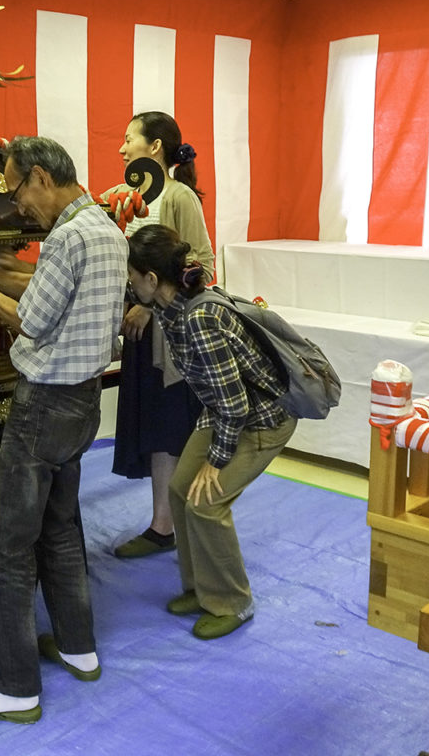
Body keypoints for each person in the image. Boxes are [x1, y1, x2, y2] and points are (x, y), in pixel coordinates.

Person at [0, 136, 127, 722]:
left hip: (43, 405)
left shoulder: (66, 237)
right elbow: (53, 297)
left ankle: (14, 688)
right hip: (84, 404)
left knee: (8, 546)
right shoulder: (106, 231)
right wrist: (0, 273)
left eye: (19, 189)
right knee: (62, 530)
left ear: (42, 177)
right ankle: (79, 650)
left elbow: (30, 320)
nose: (19, 206)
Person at [125, 224, 296, 640]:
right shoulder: (169, 305)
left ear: (151, 278)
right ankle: (200, 588)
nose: (128, 283)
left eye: (131, 275)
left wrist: (216, 462)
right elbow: (217, 394)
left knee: (206, 501)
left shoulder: (199, 316)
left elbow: (236, 404)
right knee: (182, 489)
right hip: (221, 412)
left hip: (263, 419)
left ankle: (233, 603)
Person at [109, 111, 215, 559]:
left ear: (154, 148)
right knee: (153, 428)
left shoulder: (179, 197)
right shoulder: (128, 198)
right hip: (139, 334)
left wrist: (149, 306)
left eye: (129, 138)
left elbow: (203, 269)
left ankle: (172, 523)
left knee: (171, 429)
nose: (122, 148)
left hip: (170, 342)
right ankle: (163, 522)